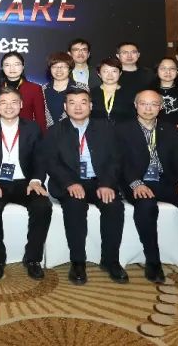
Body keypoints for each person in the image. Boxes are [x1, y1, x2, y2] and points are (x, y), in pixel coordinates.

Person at [116, 90, 178, 286]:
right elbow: (120, 161)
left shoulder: (168, 129)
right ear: (136, 105)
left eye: (154, 104)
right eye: (143, 103)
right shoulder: (122, 129)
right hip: (137, 182)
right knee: (146, 206)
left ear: (160, 107)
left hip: (166, 181)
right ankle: (153, 261)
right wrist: (136, 183)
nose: (148, 108)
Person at [46, 88, 126, 285]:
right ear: (65, 107)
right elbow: (51, 163)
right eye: (72, 103)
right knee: (74, 206)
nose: (78, 107)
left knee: (114, 206)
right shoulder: (55, 131)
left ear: (90, 106)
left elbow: (115, 159)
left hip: (100, 181)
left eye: (83, 102)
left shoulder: (106, 128)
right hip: (71, 183)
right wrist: (69, 183)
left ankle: (110, 260)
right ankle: (78, 262)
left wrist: (107, 183)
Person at [0, 87, 51, 280]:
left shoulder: (32, 127)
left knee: (42, 206)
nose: (9, 107)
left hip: (26, 182)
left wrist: (36, 180)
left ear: (21, 104)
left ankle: (33, 259)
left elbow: (40, 158)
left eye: (13, 102)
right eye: (3, 102)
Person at [0, 52, 47, 135]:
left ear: (23, 66)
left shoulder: (35, 88)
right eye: (7, 65)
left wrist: (42, 137)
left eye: (16, 64)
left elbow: (40, 117)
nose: (12, 68)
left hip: (26, 134)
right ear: (2, 67)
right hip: (0, 134)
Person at [42, 52, 87, 128]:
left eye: (63, 66)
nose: (59, 70)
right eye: (54, 66)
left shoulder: (82, 88)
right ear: (50, 69)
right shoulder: (42, 89)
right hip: (48, 133)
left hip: (75, 131)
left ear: (69, 69)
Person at [90, 57, 135, 124]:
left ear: (120, 73)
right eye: (105, 71)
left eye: (114, 71)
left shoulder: (129, 94)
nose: (110, 75)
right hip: (97, 129)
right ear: (99, 74)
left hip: (123, 129)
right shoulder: (91, 93)